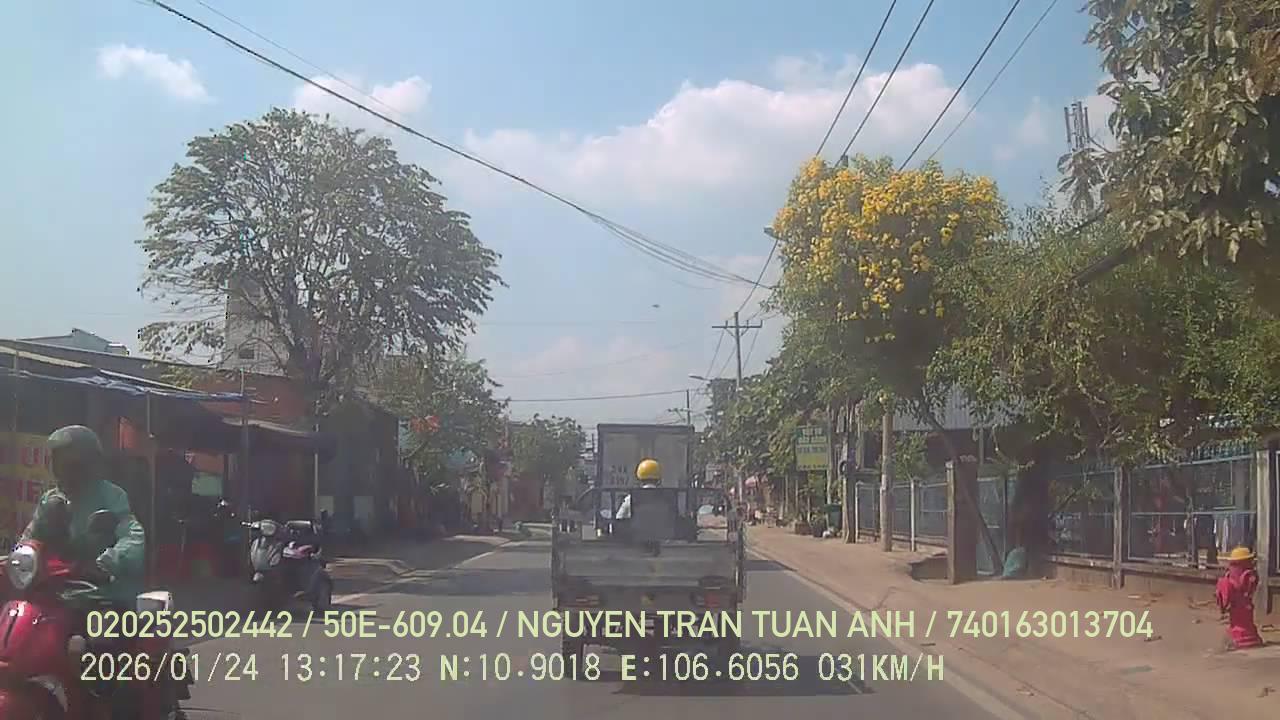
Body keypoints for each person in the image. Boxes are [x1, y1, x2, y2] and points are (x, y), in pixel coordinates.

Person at [20, 425, 146, 607]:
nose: (64, 472)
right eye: (58, 464)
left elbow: (132, 536)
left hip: (102, 593)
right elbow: (30, 537)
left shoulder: (111, 496)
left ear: (90, 464)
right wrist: (19, 559)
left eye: (71, 465)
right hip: (56, 590)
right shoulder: (51, 500)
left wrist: (106, 564)